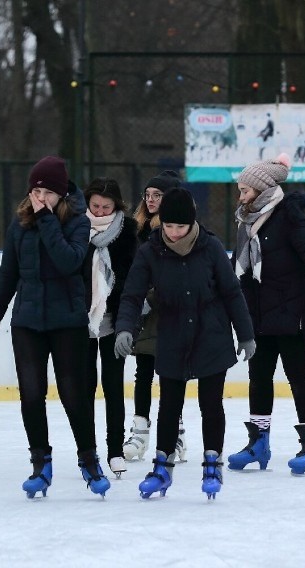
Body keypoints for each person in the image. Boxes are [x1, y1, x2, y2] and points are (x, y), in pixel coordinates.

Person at [0, 156, 111, 498]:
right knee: (31, 393)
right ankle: (41, 463)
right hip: (27, 322)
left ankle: (89, 459)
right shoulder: (19, 223)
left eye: (47, 192)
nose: (40, 198)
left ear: (61, 194)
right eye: (36, 191)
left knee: (73, 394)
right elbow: (8, 274)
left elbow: (69, 262)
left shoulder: (78, 223)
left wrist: (47, 220)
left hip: (67, 321)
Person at [114, 188, 255, 499]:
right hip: (173, 334)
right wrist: (125, 327)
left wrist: (245, 333)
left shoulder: (211, 247)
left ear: (192, 224)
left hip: (212, 334)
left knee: (210, 404)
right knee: (169, 405)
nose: (174, 233)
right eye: (168, 226)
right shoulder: (151, 250)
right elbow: (132, 294)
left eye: (180, 227)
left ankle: (212, 463)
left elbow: (232, 291)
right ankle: (162, 467)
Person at [228, 154, 305, 475]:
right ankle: (259, 442)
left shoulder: (289, 217)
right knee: (258, 378)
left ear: (261, 191)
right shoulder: (246, 223)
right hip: (258, 316)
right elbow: (238, 272)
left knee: (298, 378)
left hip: (291, 315)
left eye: (245, 191)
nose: (240, 197)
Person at [123, 170, 189, 463]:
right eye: (147, 195)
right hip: (143, 313)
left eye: (157, 195)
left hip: (171, 311)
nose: (150, 200)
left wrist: (150, 299)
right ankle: (139, 431)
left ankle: (175, 430)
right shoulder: (136, 229)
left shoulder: (179, 232)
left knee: (171, 374)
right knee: (143, 371)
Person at [81, 177, 138, 478]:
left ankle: (115, 450)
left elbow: (131, 276)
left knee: (113, 386)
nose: (101, 211)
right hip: (81, 320)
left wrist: (127, 316)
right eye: (96, 206)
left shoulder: (128, 232)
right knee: (84, 387)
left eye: (107, 207)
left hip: (113, 319)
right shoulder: (76, 227)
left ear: (117, 206)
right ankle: (87, 450)